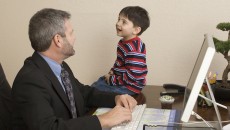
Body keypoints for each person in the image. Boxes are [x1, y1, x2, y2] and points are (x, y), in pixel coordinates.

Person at [11, 8, 137, 130]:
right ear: (58, 40)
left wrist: (116, 98)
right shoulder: (30, 81)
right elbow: (49, 127)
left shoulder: (59, 66)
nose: (74, 37)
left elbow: (83, 93)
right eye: (71, 33)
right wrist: (103, 120)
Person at [92, 6, 150, 95]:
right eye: (118, 19)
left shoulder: (134, 49)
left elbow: (133, 76)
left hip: (130, 86)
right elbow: (119, 62)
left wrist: (112, 80)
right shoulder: (123, 42)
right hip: (122, 79)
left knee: (96, 89)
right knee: (99, 82)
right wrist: (112, 71)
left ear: (136, 30)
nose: (118, 23)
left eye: (124, 22)